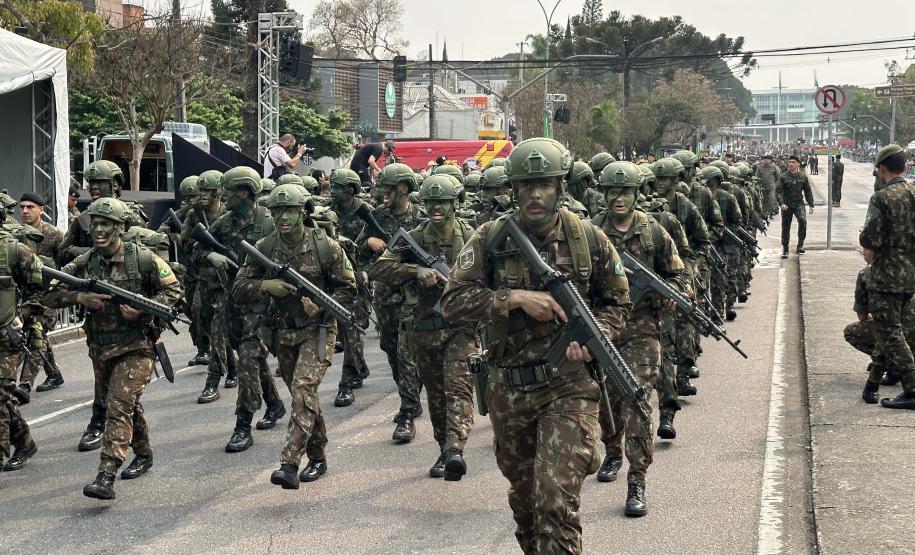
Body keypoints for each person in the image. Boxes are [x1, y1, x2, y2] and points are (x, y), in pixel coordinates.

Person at [441, 138, 631, 552]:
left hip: (569, 387)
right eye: (527, 186)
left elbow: (618, 303)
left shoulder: (589, 239)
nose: (536, 195)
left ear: (560, 187)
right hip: (509, 389)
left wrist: (593, 337)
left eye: (545, 184)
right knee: (526, 505)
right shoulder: (490, 238)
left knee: (554, 501)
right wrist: (513, 299)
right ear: (515, 189)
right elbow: (452, 302)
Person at [45, 197, 183, 500]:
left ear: (120, 227)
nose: (99, 230)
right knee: (125, 405)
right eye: (95, 224)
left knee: (118, 406)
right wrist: (79, 298)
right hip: (101, 349)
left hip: (137, 347)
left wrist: (145, 310)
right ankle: (143, 453)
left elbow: (173, 289)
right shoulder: (85, 262)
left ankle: (106, 475)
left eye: (106, 224)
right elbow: (49, 293)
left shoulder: (143, 258)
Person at [232, 184, 355, 489]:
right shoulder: (264, 247)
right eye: (278, 211)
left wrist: (322, 304)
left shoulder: (326, 246)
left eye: (290, 210)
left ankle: (289, 464)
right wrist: (265, 286)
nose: (284, 217)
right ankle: (318, 456)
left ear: (303, 212)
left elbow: (348, 289)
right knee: (303, 396)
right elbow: (238, 288)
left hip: (319, 329)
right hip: (282, 333)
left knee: (303, 388)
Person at [590, 161, 689, 516]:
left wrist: (674, 295)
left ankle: (637, 481)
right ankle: (612, 451)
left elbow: (680, 276)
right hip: (601, 328)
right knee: (607, 400)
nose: (619, 198)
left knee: (636, 400)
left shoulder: (653, 232)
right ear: (604, 194)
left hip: (642, 330)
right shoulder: (589, 232)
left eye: (626, 192)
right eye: (613, 192)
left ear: (636, 194)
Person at [370, 175, 477, 480]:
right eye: (431, 202)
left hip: (460, 327)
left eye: (442, 202)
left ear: (455, 203)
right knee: (436, 393)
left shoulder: (472, 237)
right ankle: (444, 448)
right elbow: (379, 268)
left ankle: (455, 448)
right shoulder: (413, 238)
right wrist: (416, 271)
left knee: (458, 387)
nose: (436, 208)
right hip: (424, 327)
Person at [356, 163, 426, 442]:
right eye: (382, 186)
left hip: (414, 294)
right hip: (385, 294)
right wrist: (369, 243)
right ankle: (410, 392)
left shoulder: (421, 217)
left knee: (406, 352)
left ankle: (407, 410)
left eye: (389, 187)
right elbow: (359, 252)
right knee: (390, 346)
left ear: (404, 188)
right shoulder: (376, 217)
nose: (383, 192)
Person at [859, 144, 915, 410]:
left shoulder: (881, 198)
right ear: (904, 167)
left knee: (890, 333)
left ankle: (913, 387)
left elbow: (870, 237)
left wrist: (868, 245)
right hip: (911, 275)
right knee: (889, 330)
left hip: (887, 277)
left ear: (882, 169)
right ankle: (872, 383)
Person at [0, 223, 43, 473]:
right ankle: (24, 442)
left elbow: (40, 288)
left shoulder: (14, 251)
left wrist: (23, 314)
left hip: (5, 338)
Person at [326, 168, 371, 407]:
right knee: (345, 331)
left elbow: (380, 246)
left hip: (359, 277)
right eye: (332, 186)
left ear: (351, 190)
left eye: (338, 187)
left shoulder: (367, 213)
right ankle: (358, 366)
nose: (332, 191)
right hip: (335, 278)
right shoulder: (327, 213)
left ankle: (348, 378)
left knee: (351, 325)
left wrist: (366, 270)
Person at [16, 192, 65, 396]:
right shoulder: (17, 234)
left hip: (48, 297)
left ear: (41, 210)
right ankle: (54, 374)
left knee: (36, 335)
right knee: (39, 336)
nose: (25, 211)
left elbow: (66, 264)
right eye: (22, 207)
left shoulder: (54, 234)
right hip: (26, 297)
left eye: (30, 207)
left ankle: (25, 385)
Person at [845, 263, 915, 402]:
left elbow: (863, 316)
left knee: (886, 335)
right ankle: (891, 374)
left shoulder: (867, 273)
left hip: (895, 332)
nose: (864, 253)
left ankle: (905, 387)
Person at [775, 155, 814, 259]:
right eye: (789, 162)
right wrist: (781, 203)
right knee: (785, 226)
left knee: (802, 221)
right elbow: (778, 191)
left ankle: (800, 245)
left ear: (798, 164)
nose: (791, 164)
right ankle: (785, 249)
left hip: (798, 204)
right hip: (786, 204)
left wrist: (811, 204)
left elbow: (807, 191)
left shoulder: (802, 176)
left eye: (793, 162)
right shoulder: (783, 177)